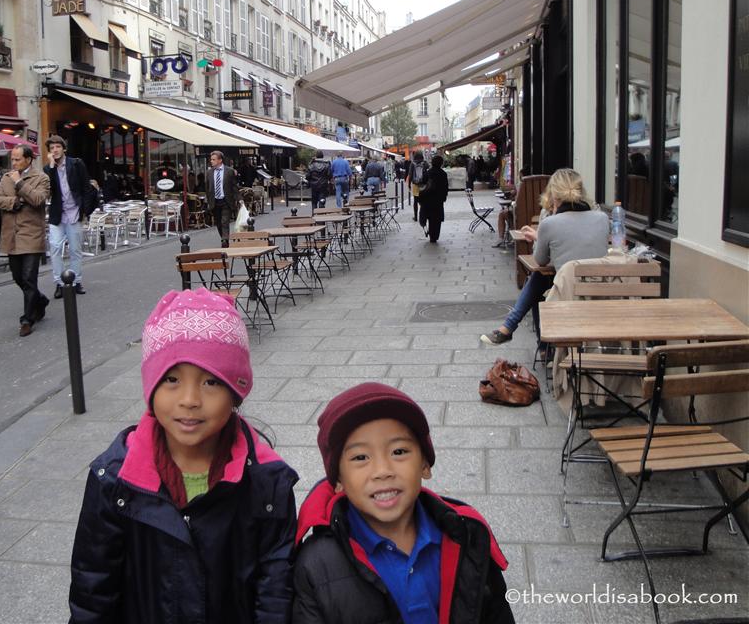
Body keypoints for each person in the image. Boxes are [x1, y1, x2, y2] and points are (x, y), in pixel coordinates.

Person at [68, 288, 298, 622]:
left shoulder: (266, 482)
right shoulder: (115, 480)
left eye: (211, 382)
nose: (189, 399)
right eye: (172, 379)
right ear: (151, 387)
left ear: (236, 391)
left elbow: (275, 590)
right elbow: (94, 590)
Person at [292, 383, 513, 623]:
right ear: (338, 481)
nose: (382, 471)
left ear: (425, 465)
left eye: (398, 452)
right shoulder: (316, 564)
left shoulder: (466, 534)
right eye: (360, 457)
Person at [482, 168, 609, 345]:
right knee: (540, 280)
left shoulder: (550, 223)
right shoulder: (602, 218)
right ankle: (514, 331)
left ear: (554, 195)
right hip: (601, 290)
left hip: (568, 291)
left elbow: (540, 260)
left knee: (538, 279)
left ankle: (529, 338)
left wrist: (539, 237)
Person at [0, 145, 50, 338]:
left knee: (28, 278)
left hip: (31, 234)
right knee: (18, 277)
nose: (14, 163)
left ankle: (27, 319)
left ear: (28, 160)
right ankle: (40, 300)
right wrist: (13, 202)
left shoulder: (41, 178)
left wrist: (19, 184)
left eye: (17, 159)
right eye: (13, 159)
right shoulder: (6, 177)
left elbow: (38, 199)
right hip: (11, 236)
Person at [44, 135, 91, 299]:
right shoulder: (47, 169)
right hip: (58, 214)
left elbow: (86, 187)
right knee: (55, 248)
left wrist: (85, 211)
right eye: (51, 148)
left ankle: (77, 281)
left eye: (57, 147)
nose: (55, 150)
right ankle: (59, 283)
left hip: (74, 212)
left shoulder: (76, 164)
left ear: (63, 148)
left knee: (75, 250)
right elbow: (48, 190)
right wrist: (51, 168)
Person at [205, 150, 238, 248]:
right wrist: (208, 201)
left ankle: (225, 240)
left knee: (225, 221)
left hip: (226, 201)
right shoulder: (209, 173)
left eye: (213, 159)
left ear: (220, 160)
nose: (211, 161)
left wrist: (239, 199)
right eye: (211, 159)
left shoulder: (229, 171)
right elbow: (207, 188)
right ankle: (223, 237)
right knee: (218, 223)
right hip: (215, 201)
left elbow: (234, 187)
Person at [419, 154, 449, 243]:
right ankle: (434, 236)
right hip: (438, 200)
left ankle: (428, 231)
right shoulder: (443, 174)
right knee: (436, 219)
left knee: (427, 216)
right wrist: (444, 197)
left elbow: (422, 186)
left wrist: (420, 198)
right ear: (441, 163)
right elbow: (445, 187)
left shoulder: (427, 173)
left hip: (427, 199)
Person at [406, 150, 426, 223]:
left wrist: (409, 184)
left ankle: (416, 217)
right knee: (423, 201)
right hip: (423, 184)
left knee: (415, 201)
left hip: (415, 184)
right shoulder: (424, 163)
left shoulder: (412, 164)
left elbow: (410, 175)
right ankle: (423, 215)